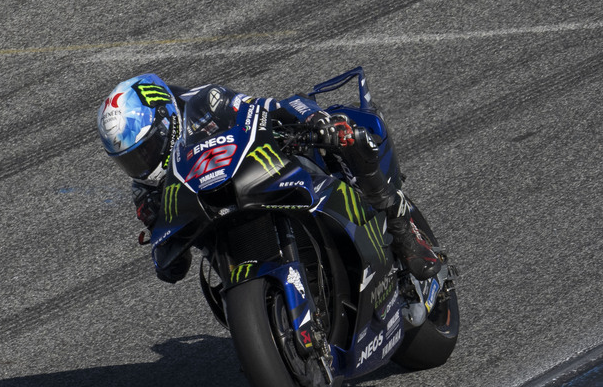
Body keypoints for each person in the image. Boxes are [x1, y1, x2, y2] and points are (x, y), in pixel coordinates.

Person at [96, 73, 444, 283]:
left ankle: (401, 230)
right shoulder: (146, 191)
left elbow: (268, 106)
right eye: (130, 160)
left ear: (167, 120)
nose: (142, 164)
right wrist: (166, 251)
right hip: (225, 237)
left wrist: (315, 121)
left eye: (146, 149)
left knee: (349, 133)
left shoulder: (204, 102)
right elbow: (171, 265)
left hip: (267, 175)